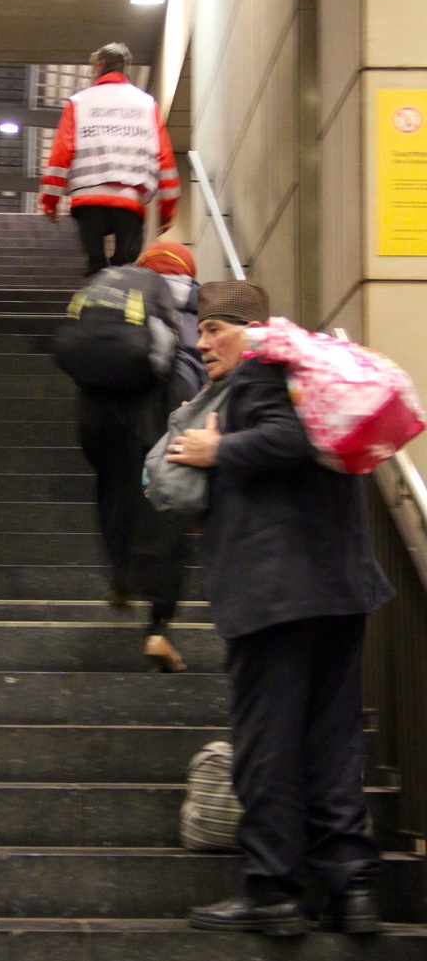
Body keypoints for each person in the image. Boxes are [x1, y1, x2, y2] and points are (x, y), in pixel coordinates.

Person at [166, 280, 395, 935]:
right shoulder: (312, 375)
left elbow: (283, 439)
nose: (202, 341)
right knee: (332, 741)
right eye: (201, 329)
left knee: (268, 745)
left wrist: (218, 449)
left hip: (276, 596)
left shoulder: (266, 371)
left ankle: (273, 890)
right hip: (335, 586)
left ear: (252, 327)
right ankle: (352, 888)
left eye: (215, 329)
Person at [77, 241, 206, 670]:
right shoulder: (197, 302)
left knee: (114, 489)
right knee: (167, 509)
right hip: (166, 403)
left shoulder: (118, 298)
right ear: (187, 270)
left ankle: (120, 574)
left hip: (98, 408)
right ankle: (158, 630)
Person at [40, 42, 181, 276]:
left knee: (95, 265)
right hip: (130, 200)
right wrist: (168, 209)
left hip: (88, 201)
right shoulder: (146, 104)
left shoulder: (79, 103)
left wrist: (50, 200)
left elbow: (61, 153)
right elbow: (164, 158)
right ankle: (121, 303)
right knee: (125, 265)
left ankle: (97, 303)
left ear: (100, 65)